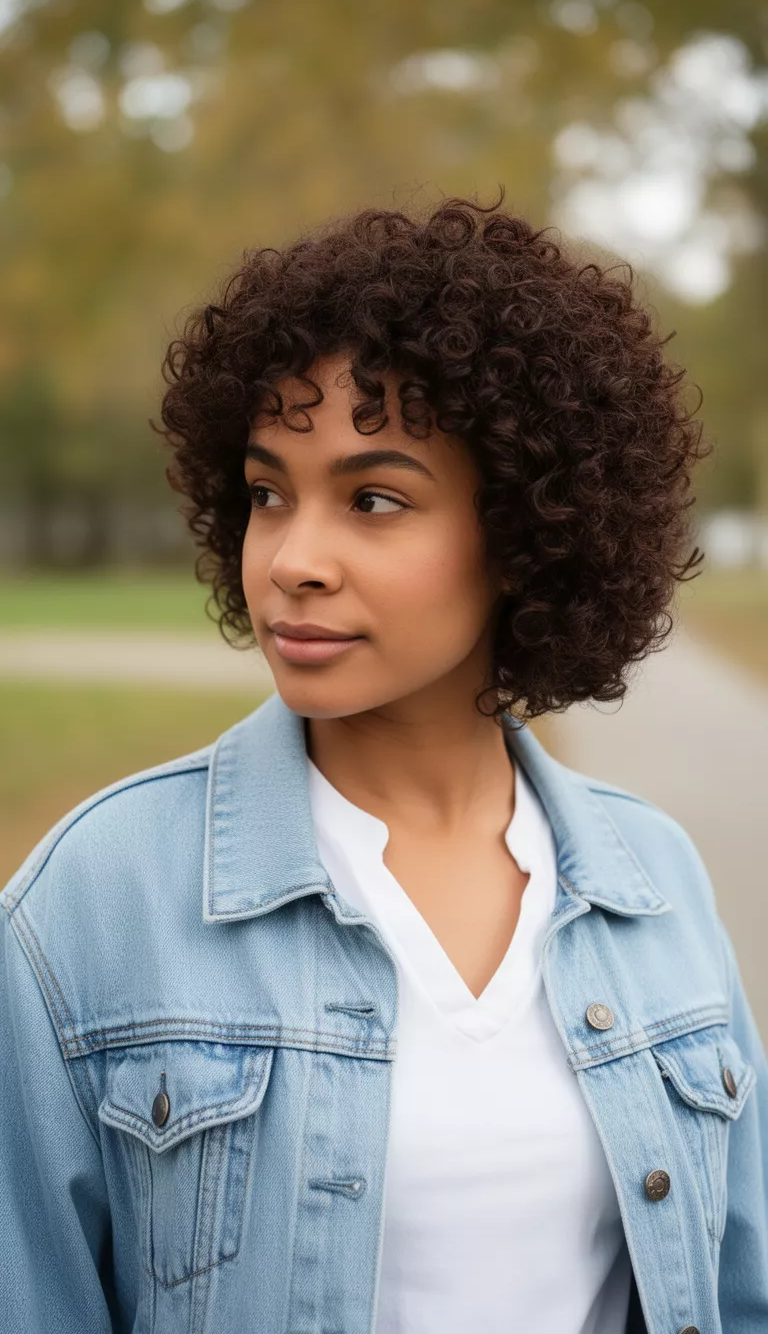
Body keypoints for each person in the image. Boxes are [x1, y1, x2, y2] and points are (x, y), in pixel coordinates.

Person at [1, 191, 766, 1334]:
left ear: (525, 530)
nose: (293, 559)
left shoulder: (652, 882)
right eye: (268, 494)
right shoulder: (93, 901)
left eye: (374, 498)